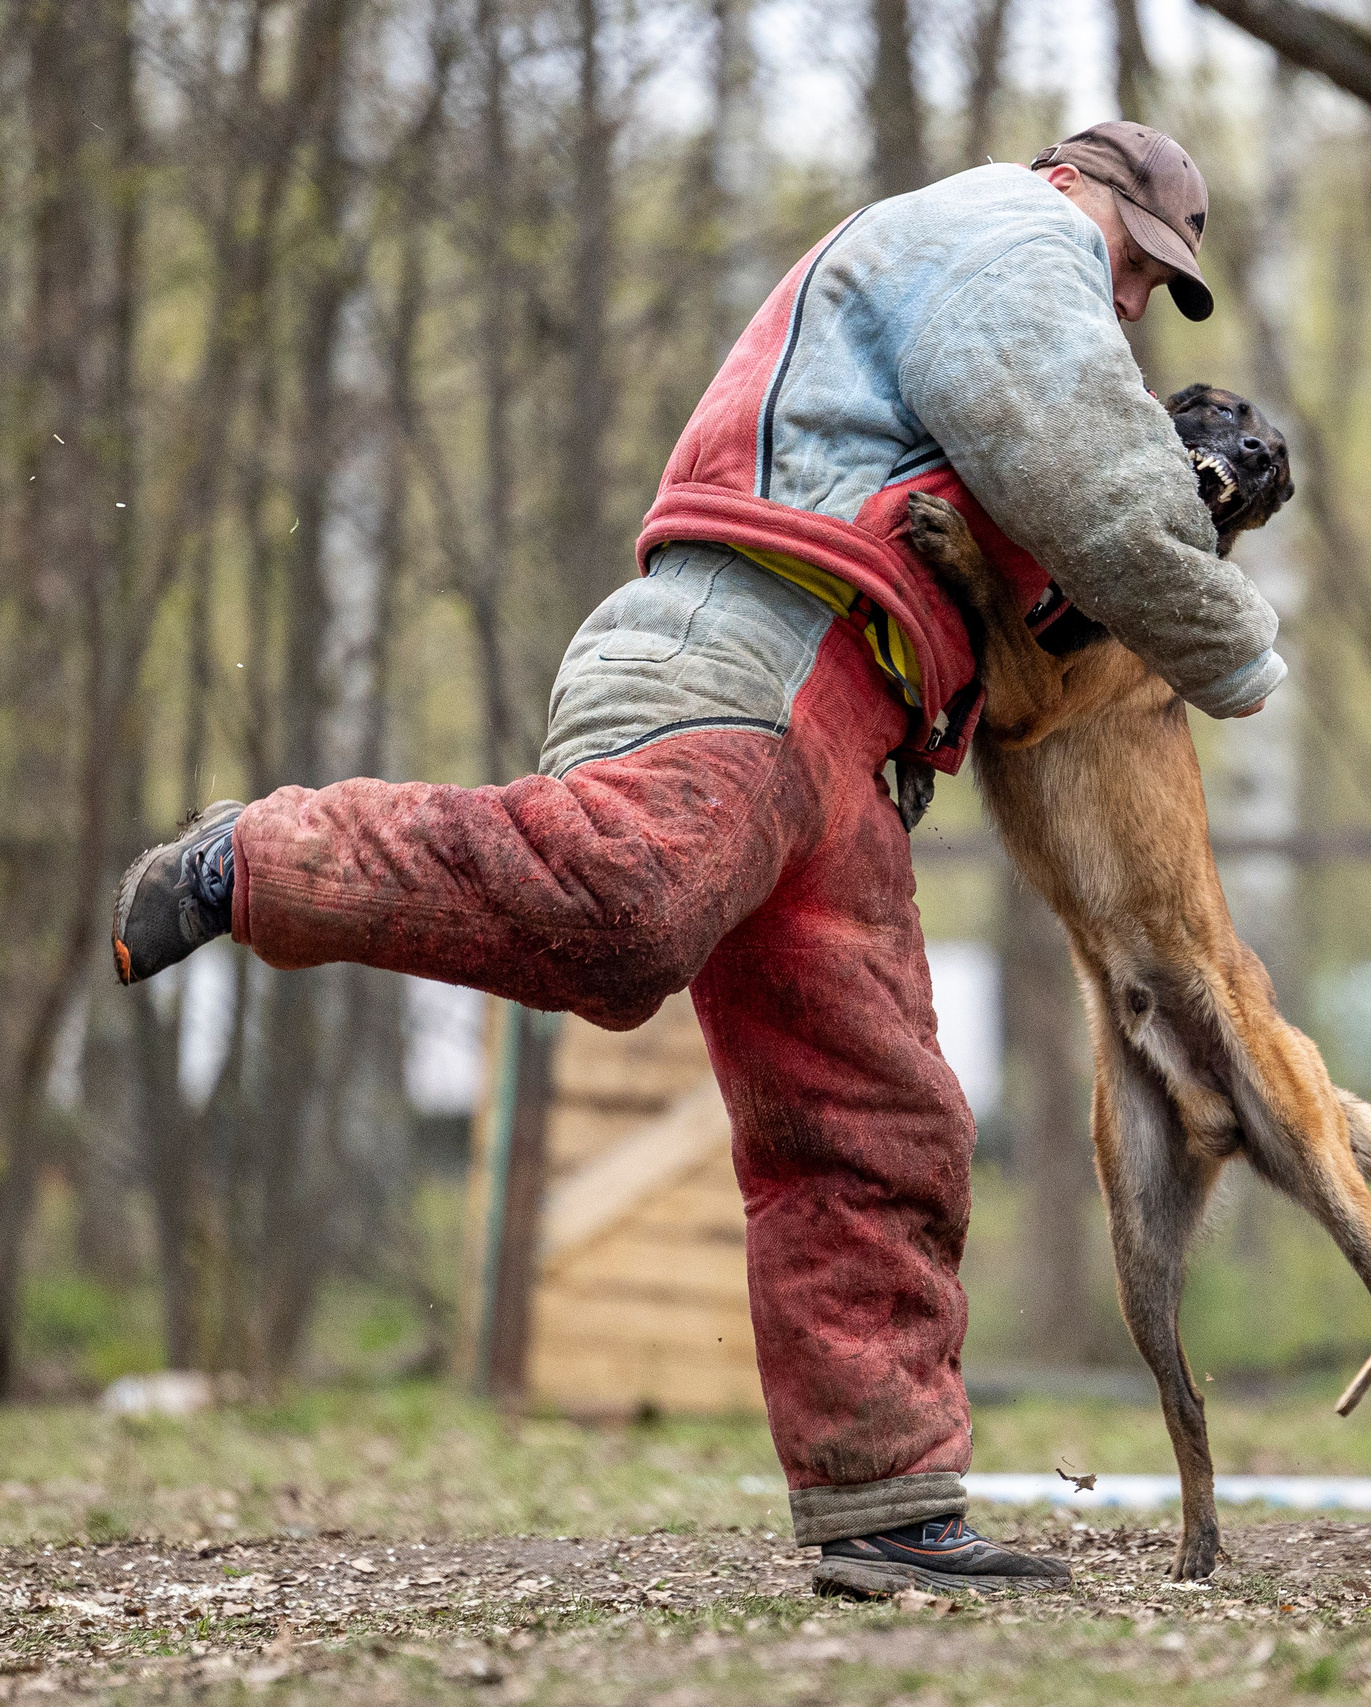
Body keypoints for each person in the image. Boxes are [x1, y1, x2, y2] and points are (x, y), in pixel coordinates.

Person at [112, 121, 1284, 1598]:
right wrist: (1235, 640)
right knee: (625, 911)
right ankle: (260, 855)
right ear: (1079, 197)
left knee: (876, 1112)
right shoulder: (1004, 233)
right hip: (742, 643)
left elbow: (1042, 587)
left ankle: (887, 1507)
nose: (1131, 303)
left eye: (1160, 290)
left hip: (855, 727)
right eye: (1137, 265)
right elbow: (1100, 487)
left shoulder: (1012, 326)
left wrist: (1178, 534)